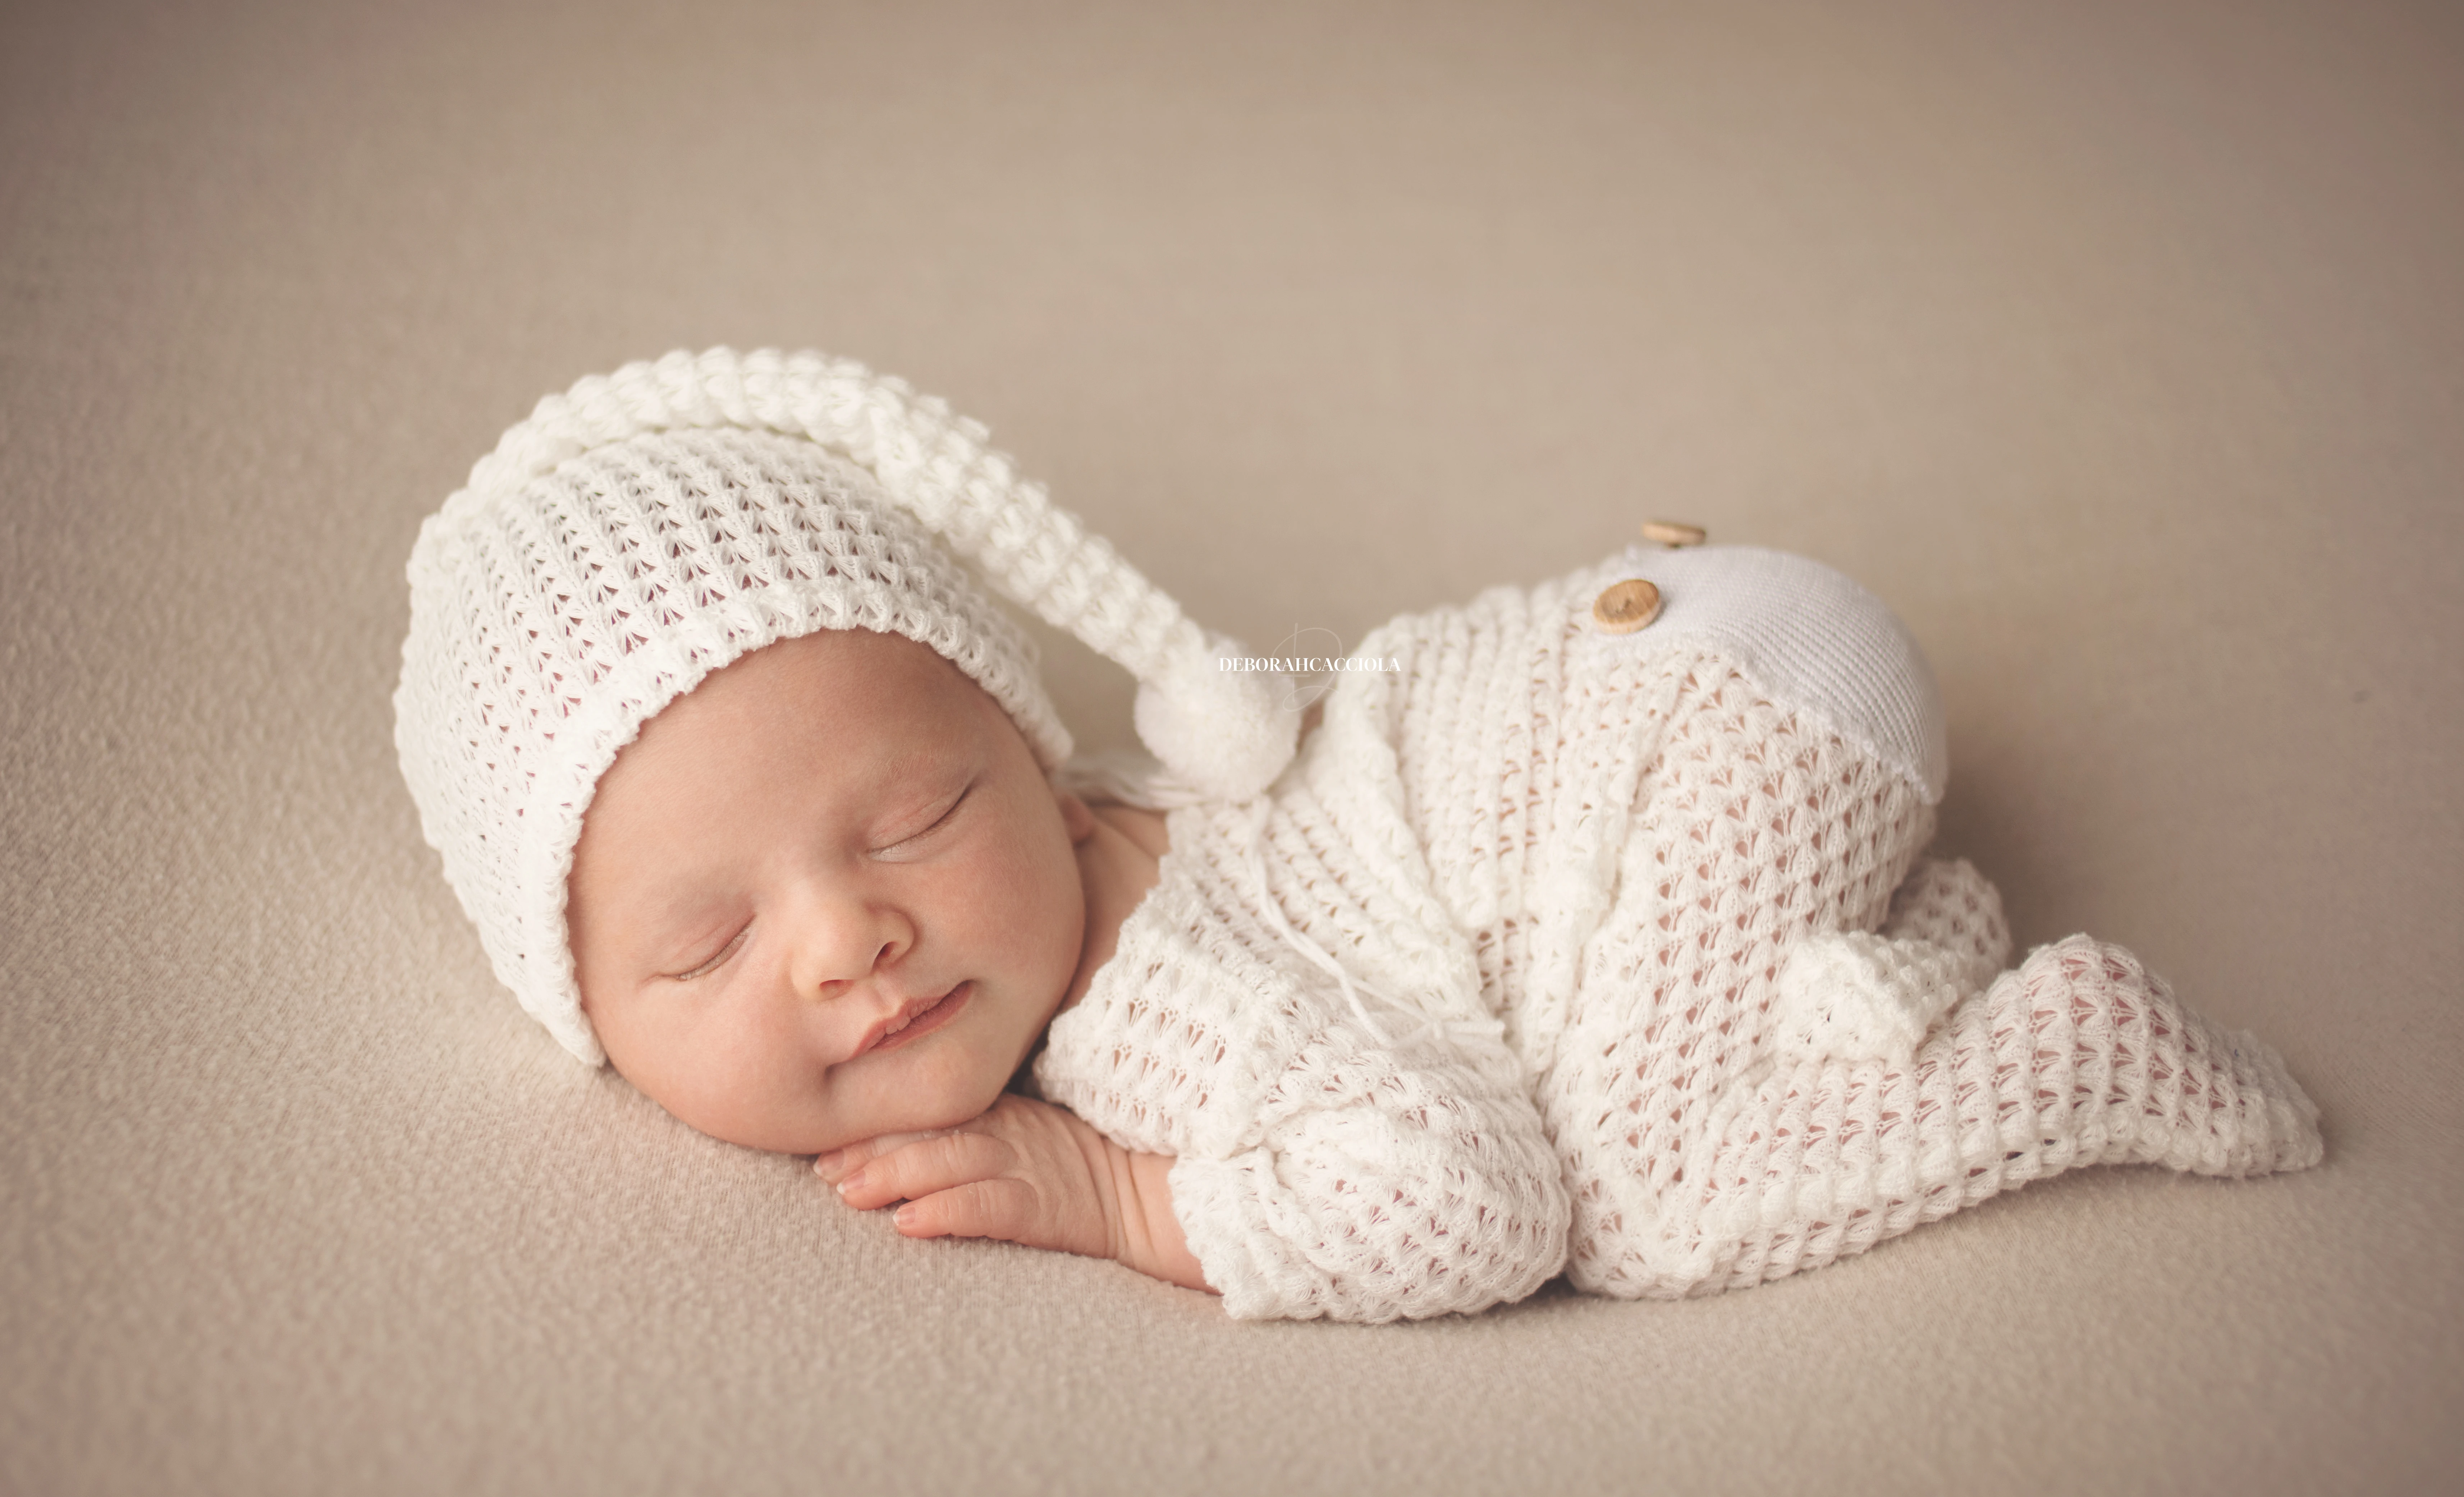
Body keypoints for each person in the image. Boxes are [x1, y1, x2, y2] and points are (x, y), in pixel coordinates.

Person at [395, 348, 2323, 1323]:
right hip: (1700, 676)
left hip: (1714, 727)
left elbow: (1477, 1208)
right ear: (576, 1006)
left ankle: (2064, 1051)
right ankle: (1898, 947)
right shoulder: (1065, 888)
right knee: (1604, 1042)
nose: (848, 941)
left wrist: (1126, 1205)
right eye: (707, 947)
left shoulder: (1146, 999)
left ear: (1032, 746)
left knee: (1636, 1200)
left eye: (915, 817)